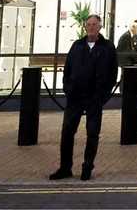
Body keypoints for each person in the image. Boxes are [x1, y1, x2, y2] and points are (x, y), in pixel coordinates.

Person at [49, 14, 117, 182]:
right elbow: (68, 68)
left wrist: (103, 95)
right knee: (67, 132)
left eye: (94, 24)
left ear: (100, 27)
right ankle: (65, 168)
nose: (91, 27)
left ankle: (87, 167)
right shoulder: (77, 45)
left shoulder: (108, 47)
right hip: (75, 97)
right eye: (89, 24)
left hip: (95, 97)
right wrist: (68, 88)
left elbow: (112, 73)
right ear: (85, 27)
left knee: (92, 133)